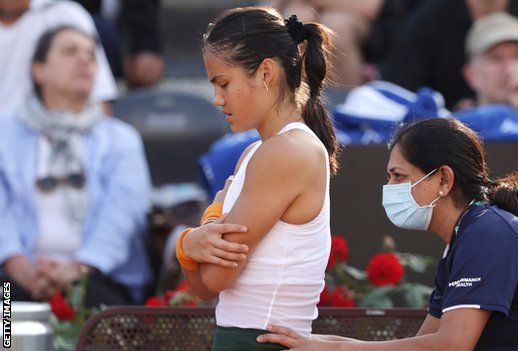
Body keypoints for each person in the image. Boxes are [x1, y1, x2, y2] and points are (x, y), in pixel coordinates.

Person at [256, 118, 518, 350]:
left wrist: (331, 349)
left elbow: (451, 346)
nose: (389, 187)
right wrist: (314, 342)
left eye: (398, 176)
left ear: (443, 180)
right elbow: (423, 346)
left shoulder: (488, 233)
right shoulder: (466, 237)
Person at [174, 7, 339, 350]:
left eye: (224, 83)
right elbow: (204, 288)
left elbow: (214, 277)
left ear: (266, 72)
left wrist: (191, 240)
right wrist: (192, 244)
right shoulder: (256, 154)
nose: (217, 100)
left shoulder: (286, 152)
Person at [0, 26, 151, 305]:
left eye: (91, 56)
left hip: (96, 278)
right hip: (13, 279)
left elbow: (124, 214)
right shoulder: (5, 134)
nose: (85, 61)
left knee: (96, 326)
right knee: (6, 327)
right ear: (38, 70)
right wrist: (21, 269)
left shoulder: (120, 138)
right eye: (70, 52)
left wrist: (76, 270)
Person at [382, 0, 518, 111]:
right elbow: (393, 101)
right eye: (495, 58)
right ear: (469, 73)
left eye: (517, 55)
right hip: (450, 145)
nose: (507, 67)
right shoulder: (424, 23)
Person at [0, 0, 117, 117]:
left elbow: (99, 99)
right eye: (69, 51)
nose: (84, 60)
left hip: (60, 129)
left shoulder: (64, 14)